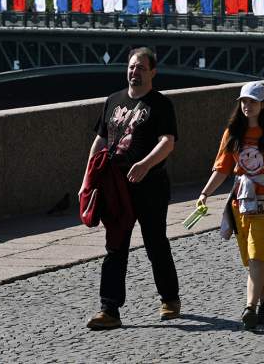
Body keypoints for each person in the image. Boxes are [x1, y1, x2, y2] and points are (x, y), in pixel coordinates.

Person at [79, 47, 180, 330]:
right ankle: (109, 309)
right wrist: (87, 182)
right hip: (116, 187)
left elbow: (168, 142)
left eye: (141, 68)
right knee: (116, 246)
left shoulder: (160, 104)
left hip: (150, 186)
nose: (134, 72)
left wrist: (146, 164)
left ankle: (170, 299)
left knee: (155, 243)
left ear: (153, 73)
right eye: (132, 67)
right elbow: (100, 141)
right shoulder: (113, 100)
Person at [197, 81, 264, 330]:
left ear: (263, 104)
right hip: (241, 204)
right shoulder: (232, 133)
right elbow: (222, 169)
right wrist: (205, 193)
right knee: (251, 260)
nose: (247, 106)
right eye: (243, 101)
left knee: (256, 256)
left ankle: (249, 307)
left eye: (252, 101)